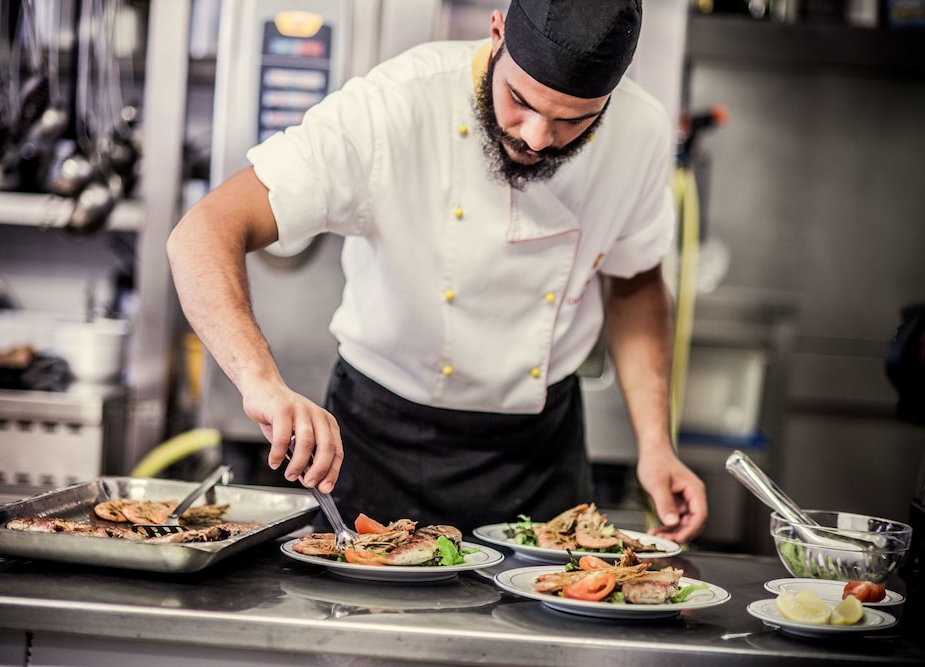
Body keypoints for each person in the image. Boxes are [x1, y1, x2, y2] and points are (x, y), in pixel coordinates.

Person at [167, 0, 708, 543]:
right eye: (520, 101)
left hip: (540, 451)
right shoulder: (395, 105)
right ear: (497, 33)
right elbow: (204, 230)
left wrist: (656, 446)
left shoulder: (640, 132)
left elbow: (636, 282)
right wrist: (260, 382)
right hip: (380, 439)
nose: (537, 137)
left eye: (574, 120)